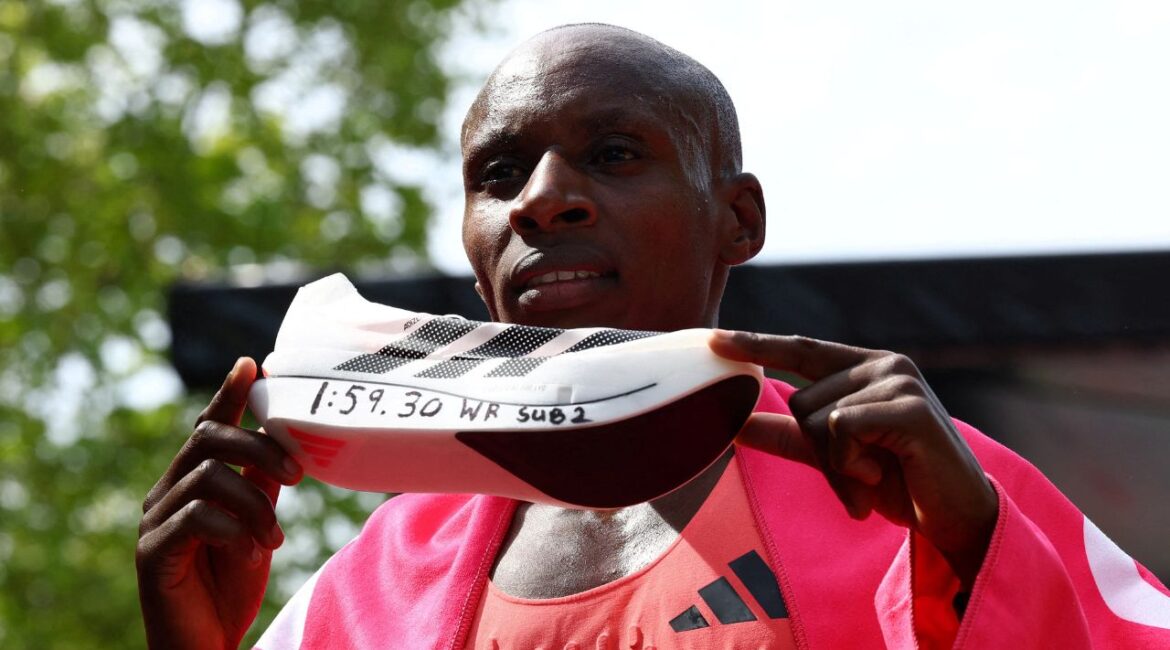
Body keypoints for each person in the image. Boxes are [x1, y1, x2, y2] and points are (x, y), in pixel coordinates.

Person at [137, 24, 1170, 649]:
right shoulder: (368, 586)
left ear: (740, 218)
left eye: (616, 152)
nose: (543, 201)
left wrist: (974, 550)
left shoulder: (929, 483)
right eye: (499, 176)